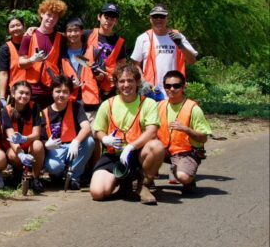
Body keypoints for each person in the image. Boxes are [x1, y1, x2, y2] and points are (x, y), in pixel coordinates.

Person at [90, 62, 165, 204]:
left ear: (137, 82)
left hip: (137, 153)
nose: (126, 85)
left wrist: (131, 147)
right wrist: (105, 139)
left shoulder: (148, 103)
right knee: (97, 193)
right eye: (122, 81)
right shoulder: (108, 104)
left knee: (157, 147)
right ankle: (124, 185)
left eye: (130, 80)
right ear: (116, 84)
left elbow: (152, 131)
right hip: (113, 156)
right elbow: (99, 130)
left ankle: (144, 184)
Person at [156, 70, 211, 192]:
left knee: (183, 177)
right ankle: (147, 182)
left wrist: (185, 129)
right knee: (145, 150)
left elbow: (203, 138)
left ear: (183, 86)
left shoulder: (193, 109)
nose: (172, 89)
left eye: (176, 86)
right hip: (164, 150)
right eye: (168, 86)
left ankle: (187, 179)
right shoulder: (159, 106)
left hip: (187, 152)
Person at [131, 4, 198, 100]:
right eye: (155, 16)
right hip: (151, 91)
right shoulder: (143, 38)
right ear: (150, 19)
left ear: (167, 18)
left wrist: (181, 45)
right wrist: (143, 82)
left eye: (162, 16)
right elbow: (135, 64)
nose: (158, 19)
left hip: (175, 89)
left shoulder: (177, 36)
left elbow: (192, 61)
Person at [40, 75, 95, 190]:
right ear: (52, 92)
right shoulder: (44, 112)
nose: (61, 95)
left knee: (89, 141)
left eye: (65, 92)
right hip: (56, 148)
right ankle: (59, 175)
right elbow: (40, 137)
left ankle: (74, 177)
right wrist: (46, 145)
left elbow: (86, 127)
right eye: (58, 91)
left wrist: (76, 141)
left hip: (73, 146)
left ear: (70, 93)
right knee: (53, 167)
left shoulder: (76, 106)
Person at [17, 0, 68, 107]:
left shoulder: (61, 39)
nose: (51, 19)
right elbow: (20, 64)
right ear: (42, 14)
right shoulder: (29, 36)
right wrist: (32, 60)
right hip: (31, 90)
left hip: (52, 89)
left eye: (55, 17)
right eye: (48, 15)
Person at [2, 81, 45, 193]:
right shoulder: (6, 110)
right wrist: (21, 153)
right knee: (13, 155)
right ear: (13, 93)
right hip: (13, 147)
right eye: (21, 93)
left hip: (29, 144)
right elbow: (10, 136)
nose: (24, 96)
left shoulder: (35, 107)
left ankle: (35, 178)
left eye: (27, 93)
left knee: (38, 145)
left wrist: (25, 138)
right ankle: (18, 174)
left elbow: (36, 134)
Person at [59, 18, 101, 120]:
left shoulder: (93, 51)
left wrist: (97, 72)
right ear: (65, 33)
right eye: (69, 31)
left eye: (76, 30)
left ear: (82, 31)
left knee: (91, 135)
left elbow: (101, 78)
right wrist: (70, 84)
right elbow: (58, 79)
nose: (73, 33)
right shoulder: (61, 54)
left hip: (90, 105)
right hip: (69, 103)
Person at [84, 3, 126, 101]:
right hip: (88, 85)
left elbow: (122, 65)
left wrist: (117, 79)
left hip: (109, 88)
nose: (109, 21)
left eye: (112, 19)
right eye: (106, 17)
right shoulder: (87, 34)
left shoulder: (119, 42)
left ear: (116, 21)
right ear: (99, 17)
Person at [0, 16, 26, 102]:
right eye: (12, 26)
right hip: (15, 91)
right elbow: (3, 73)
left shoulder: (32, 43)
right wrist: (2, 96)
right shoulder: (5, 48)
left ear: (24, 27)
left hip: (33, 91)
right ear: (8, 30)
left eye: (18, 25)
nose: (16, 28)